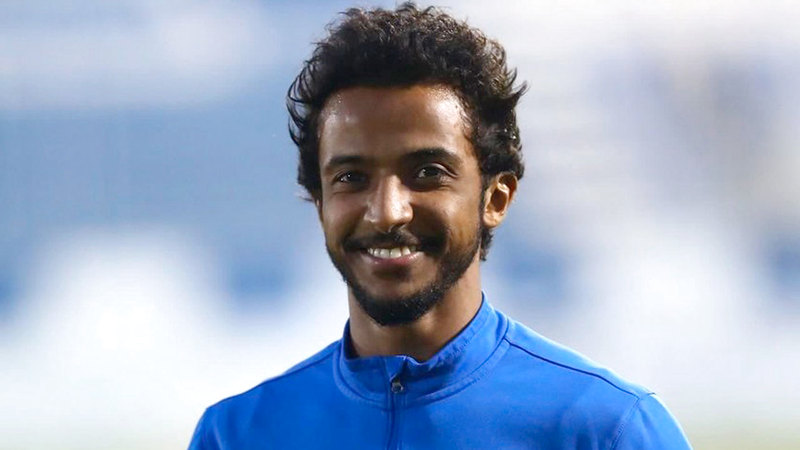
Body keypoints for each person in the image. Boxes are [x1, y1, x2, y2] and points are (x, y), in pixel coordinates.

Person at [188, 3, 691, 449]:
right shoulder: (236, 435)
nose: (387, 212)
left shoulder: (608, 430)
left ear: (496, 197)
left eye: (427, 173)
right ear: (319, 203)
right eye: (351, 177)